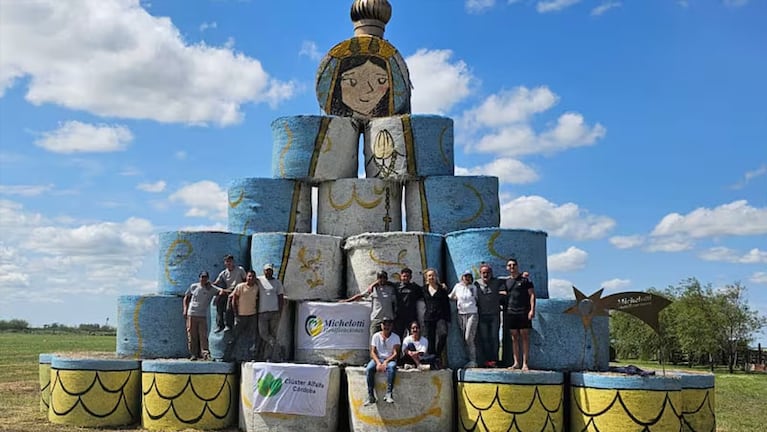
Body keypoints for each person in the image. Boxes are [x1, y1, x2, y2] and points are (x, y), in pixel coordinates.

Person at [500, 258, 536, 371]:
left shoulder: (525, 280)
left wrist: (532, 310)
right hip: (511, 311)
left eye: (514, 265)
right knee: (514, 337)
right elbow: (502, 292)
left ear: (517, 266)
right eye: (509, 265)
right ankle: (516, 362)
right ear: (507, 268)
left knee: (525, 337)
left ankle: (525, 363)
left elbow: (532, 295)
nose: (512, 267)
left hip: (524, 311)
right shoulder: (506, 282)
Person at [344, 270, 397, 339]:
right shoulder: (373, 288)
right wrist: (346, 301)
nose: (382, 280)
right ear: (377, 279)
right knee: (373, 339)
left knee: (389, 340)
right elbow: (361, 296)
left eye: (384, 278)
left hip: (388, 319)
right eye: (380, 278)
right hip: (377, 318)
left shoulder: (391, 288)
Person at [364, 317, 401, 405]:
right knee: (369, 368)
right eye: (384, 324)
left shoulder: (396, 337)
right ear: (381, 325)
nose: (386, 327)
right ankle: (371, 395)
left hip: (390, 359)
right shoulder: (376, 336)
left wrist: (386, 362)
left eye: (388, 325)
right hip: (378, 358)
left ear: (391, 326)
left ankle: (389, 393)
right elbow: (372, 351)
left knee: (392, 367)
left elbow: (395, 353)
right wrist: (378, 363)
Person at [182, 271, 217, 361]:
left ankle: (205, 354)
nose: (203, 279)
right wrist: (185, 309)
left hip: (202, 315)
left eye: (205, 277)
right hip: (192, 313)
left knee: (203, 335)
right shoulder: (194, 286)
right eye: (202, 277)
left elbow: (221, 291)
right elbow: (186, 297)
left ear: (208, 278)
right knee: (192, 335)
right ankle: (193, 354)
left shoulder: (211, 288)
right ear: (199, 278)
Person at [228, 270, 260, 361]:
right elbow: (234, 300)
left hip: (252, 316)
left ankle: (250, 356)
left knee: (251, 337)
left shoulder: (256, 288)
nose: (251, 278)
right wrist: (235, 314)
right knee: (235, 336)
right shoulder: (240, 287)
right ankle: (229, 355)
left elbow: (257, 301)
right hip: (241, 315)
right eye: (249, 276)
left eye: (253, 276)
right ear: (246, 277)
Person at [475, 263, 503, 367]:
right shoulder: (476, 283)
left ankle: (494, 360)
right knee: (484, 339)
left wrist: (522, 275)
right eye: (483, 273)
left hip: (494, 315)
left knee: (494, 338)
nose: (486, 274)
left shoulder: (496, 282)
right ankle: (487, 361)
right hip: (482, 315)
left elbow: (509, 278)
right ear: (480, 273)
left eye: (488, 272)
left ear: (491, 273)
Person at [449, 270, 479, 368]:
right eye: (465, 276)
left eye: (469, 276)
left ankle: (473, 360)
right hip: (461, 314)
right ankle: (468, 359)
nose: (467, 278)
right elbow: (451, 296)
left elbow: (477, 299)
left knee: (468, 337)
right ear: (462, 277)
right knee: (464, 338)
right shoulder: (457, 287)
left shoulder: (474, 288)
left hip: (472, 313)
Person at [422, 268, 450, 367]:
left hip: (440, 316)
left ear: (436, 277)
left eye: (433, 275)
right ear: (426, 278)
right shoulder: (424, 289)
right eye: (429, 276)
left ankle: (437, 355)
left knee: (443, 334)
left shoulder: (442, 289)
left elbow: (447, 304)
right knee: (430, 340)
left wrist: (448, 318)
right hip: (429, 317)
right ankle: (432, 361)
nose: (431, 277)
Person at [211, 254, 247, 332]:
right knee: (219, 302)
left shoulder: (240, 270)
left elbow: (245, 280)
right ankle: (220, 325)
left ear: (233, 262)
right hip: (228, 291)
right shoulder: (224, 273)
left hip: (238, 290)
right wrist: (209, 285)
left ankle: (229, 325)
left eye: (230, 261)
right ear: (225, 263)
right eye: (227, 261)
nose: (229, 263)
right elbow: (217, 282)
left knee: (229, 307)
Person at [257, 263, 285, 362]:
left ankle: (268, 357)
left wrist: (280, 310)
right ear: (263, 271)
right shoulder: (259, 280)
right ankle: (278, 347)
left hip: (274, 312)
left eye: (270, 270)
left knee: (273, 333)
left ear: (272, 271)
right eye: (266, 270)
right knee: (263, 333)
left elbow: (281, 297)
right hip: (262, 312)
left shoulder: (277, 283)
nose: (268, 272)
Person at [393, 267, 424, 340]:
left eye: (407, 276)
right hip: (399, 316)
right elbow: (383, 282)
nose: (405, 278)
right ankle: (398, 351)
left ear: (410, 277)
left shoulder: (415, 287)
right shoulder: (396, 286)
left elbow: (426, 290)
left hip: (411, 317)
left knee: (413, 337)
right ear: (400, 276)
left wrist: (441, 285)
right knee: (398, 337)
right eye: (404, 276)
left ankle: (411, 351)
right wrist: (372, 285)